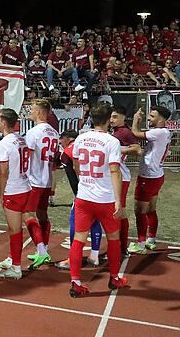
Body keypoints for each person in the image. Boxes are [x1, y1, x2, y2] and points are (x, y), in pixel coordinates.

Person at [68, 103, 128, 297]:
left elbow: (76, 165)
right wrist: (118, 201)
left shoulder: (80, 138)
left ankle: (76, 282)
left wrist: (86, 181)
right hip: (105, 198)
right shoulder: (112, 141)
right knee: (113, 238)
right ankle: (114, 278)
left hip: (84, 197)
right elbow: (114, 171)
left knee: (78, 239)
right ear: (108, 118)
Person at [53, 130, 103, 270]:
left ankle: (73, 259)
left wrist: (79, 192)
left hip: (84, 192)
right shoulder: (90, 146)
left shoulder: (69, 151)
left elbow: (75, 173)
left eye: (61, 139)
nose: (60, 142)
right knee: (95, 221)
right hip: (98, 190)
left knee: (75, 222)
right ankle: (94, 256)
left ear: (68, 139)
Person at [22, 99, 60, 269]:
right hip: (46, 180)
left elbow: (27, 157)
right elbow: (55, 162)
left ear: (39, 112)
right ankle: (42, 250)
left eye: (32, 109)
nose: (30, 112)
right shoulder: (54, 133)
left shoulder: (33, 132)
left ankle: (42, 250)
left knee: (27, 215)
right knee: (42, 215)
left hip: (34, 180)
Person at [128, 106, 172, 253]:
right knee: (151, 209)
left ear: (161, 119)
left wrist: (135, 120)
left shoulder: (158, 132)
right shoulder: (164, 132)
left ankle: (140, 245)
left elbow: (135, 133)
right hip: (157, 175)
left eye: (152, 116)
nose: (148, 118)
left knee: (139, 211)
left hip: (148, 177)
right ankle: (151, 240)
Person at [0, 109, 30, 280]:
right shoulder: (21, 139)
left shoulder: (5, 143)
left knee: (15, 230)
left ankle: (16, 266)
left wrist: (2, 193)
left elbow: (3, 172)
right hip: (25, 186)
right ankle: (12, 258)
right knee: (18, 227)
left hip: (14, 190)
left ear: (4, 122)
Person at [109, 105, 142, 255]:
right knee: (115, 211)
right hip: (116, 175)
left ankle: (122, 248)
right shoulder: (117, 131)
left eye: (115, 117)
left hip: (121, 176)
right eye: (110, 117)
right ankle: (118, 247)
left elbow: (137, 149)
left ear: (123, 117)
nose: (111, 120)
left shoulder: (124, 132)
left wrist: (118, 149)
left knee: (119, 211)